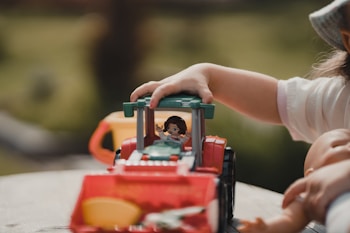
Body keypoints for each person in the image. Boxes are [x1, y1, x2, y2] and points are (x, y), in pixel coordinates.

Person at [130, 0, 350, 228]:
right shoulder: (340, 97)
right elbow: (274, 99)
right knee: (331, 145)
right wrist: (209, 75)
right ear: (348, 40)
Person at [237, 128, 350, 233]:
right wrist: (266, 227)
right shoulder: (311, 197)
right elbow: (289, 220)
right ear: (313, 177)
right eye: (337, 145)